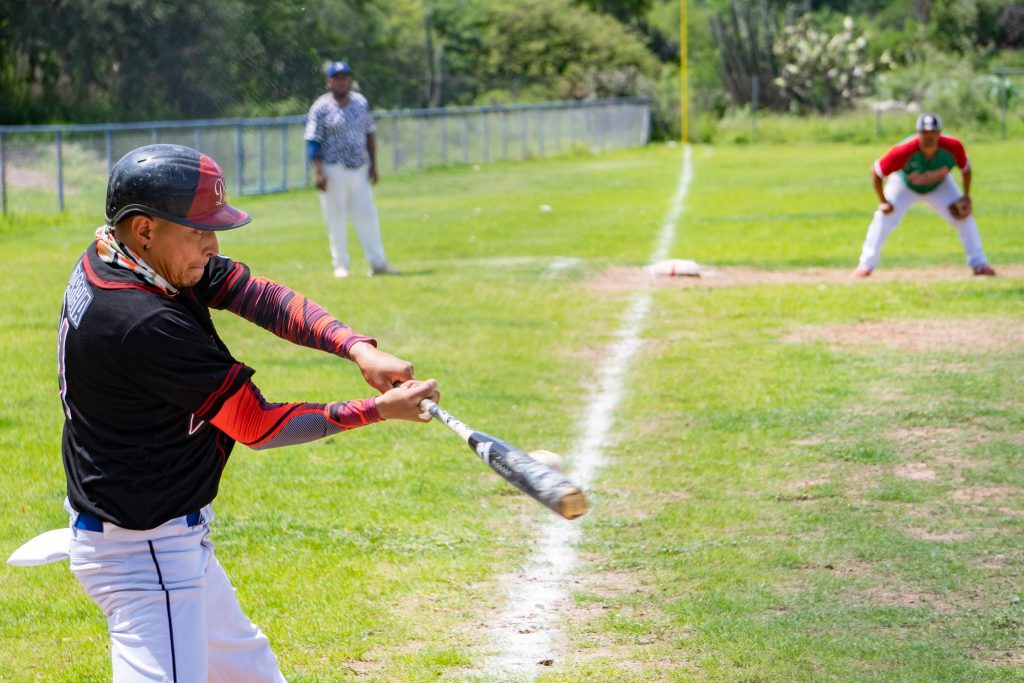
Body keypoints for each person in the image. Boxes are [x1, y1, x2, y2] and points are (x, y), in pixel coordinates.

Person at [53, 144, 438, 681]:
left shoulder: (119, 255)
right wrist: (376, 410)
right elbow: (255, 425)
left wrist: (357, 348)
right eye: (198, 231)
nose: (212, 245)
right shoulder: (143, 322)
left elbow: (255, 294)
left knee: (249, 670)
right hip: (144, 549)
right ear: (145, 228)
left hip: (152, 531)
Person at [854, 112, 995, 277]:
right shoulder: (903, 151)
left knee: (963, 216)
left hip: (940, 185)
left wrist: (966, 196)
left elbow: (966, 169)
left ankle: (979, 264)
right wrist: (883, 200)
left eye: (933, 133)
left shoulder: (953, 147)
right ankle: (865, 265)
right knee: (883, 217)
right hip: (904, 184)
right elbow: (876, 171)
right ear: (917, 134)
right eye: (925, 133)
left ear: (939, 133)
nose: (929, 137)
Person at [305, 60, 399, 278]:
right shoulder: (321, 107)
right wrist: (318, 171)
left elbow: (370, 132)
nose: (342, 81)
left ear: (350, 80)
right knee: (336, 218)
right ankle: (341, 265)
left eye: (345, 77)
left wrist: (374, 164)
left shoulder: (359, 102)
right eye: (337, 78)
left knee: (367, 216)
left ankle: (378, 263)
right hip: (333, 169)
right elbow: (313, 141)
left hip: (358, 168)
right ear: (329, 82)